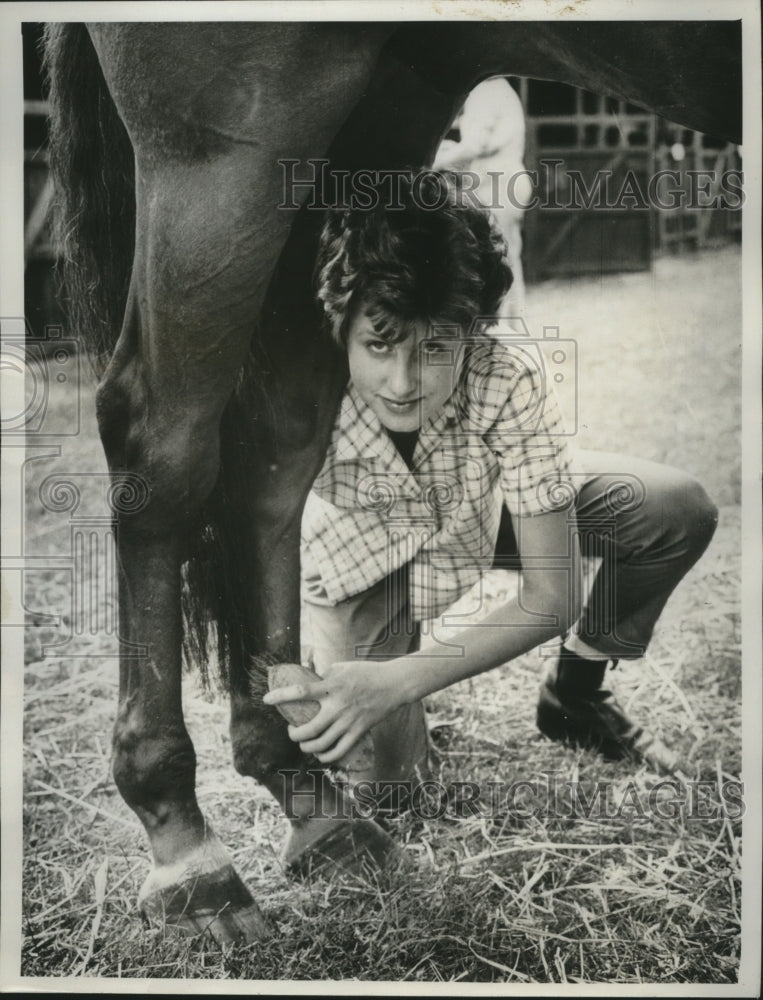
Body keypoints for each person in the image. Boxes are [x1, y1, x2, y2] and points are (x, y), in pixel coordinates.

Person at [263, 170, 717, 799]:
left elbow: (553, 597)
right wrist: (304, 661)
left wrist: (398, 682)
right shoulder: (296, 385)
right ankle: (389, 705)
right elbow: (247, 539)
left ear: (473, 330)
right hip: (361, 564)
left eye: (436, 347)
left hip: (477, 517)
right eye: (380, 343)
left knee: (674, 510)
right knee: (390, 787)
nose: (402, 382)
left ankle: (575, 698)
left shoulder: (506, 373)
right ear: (340, 324)